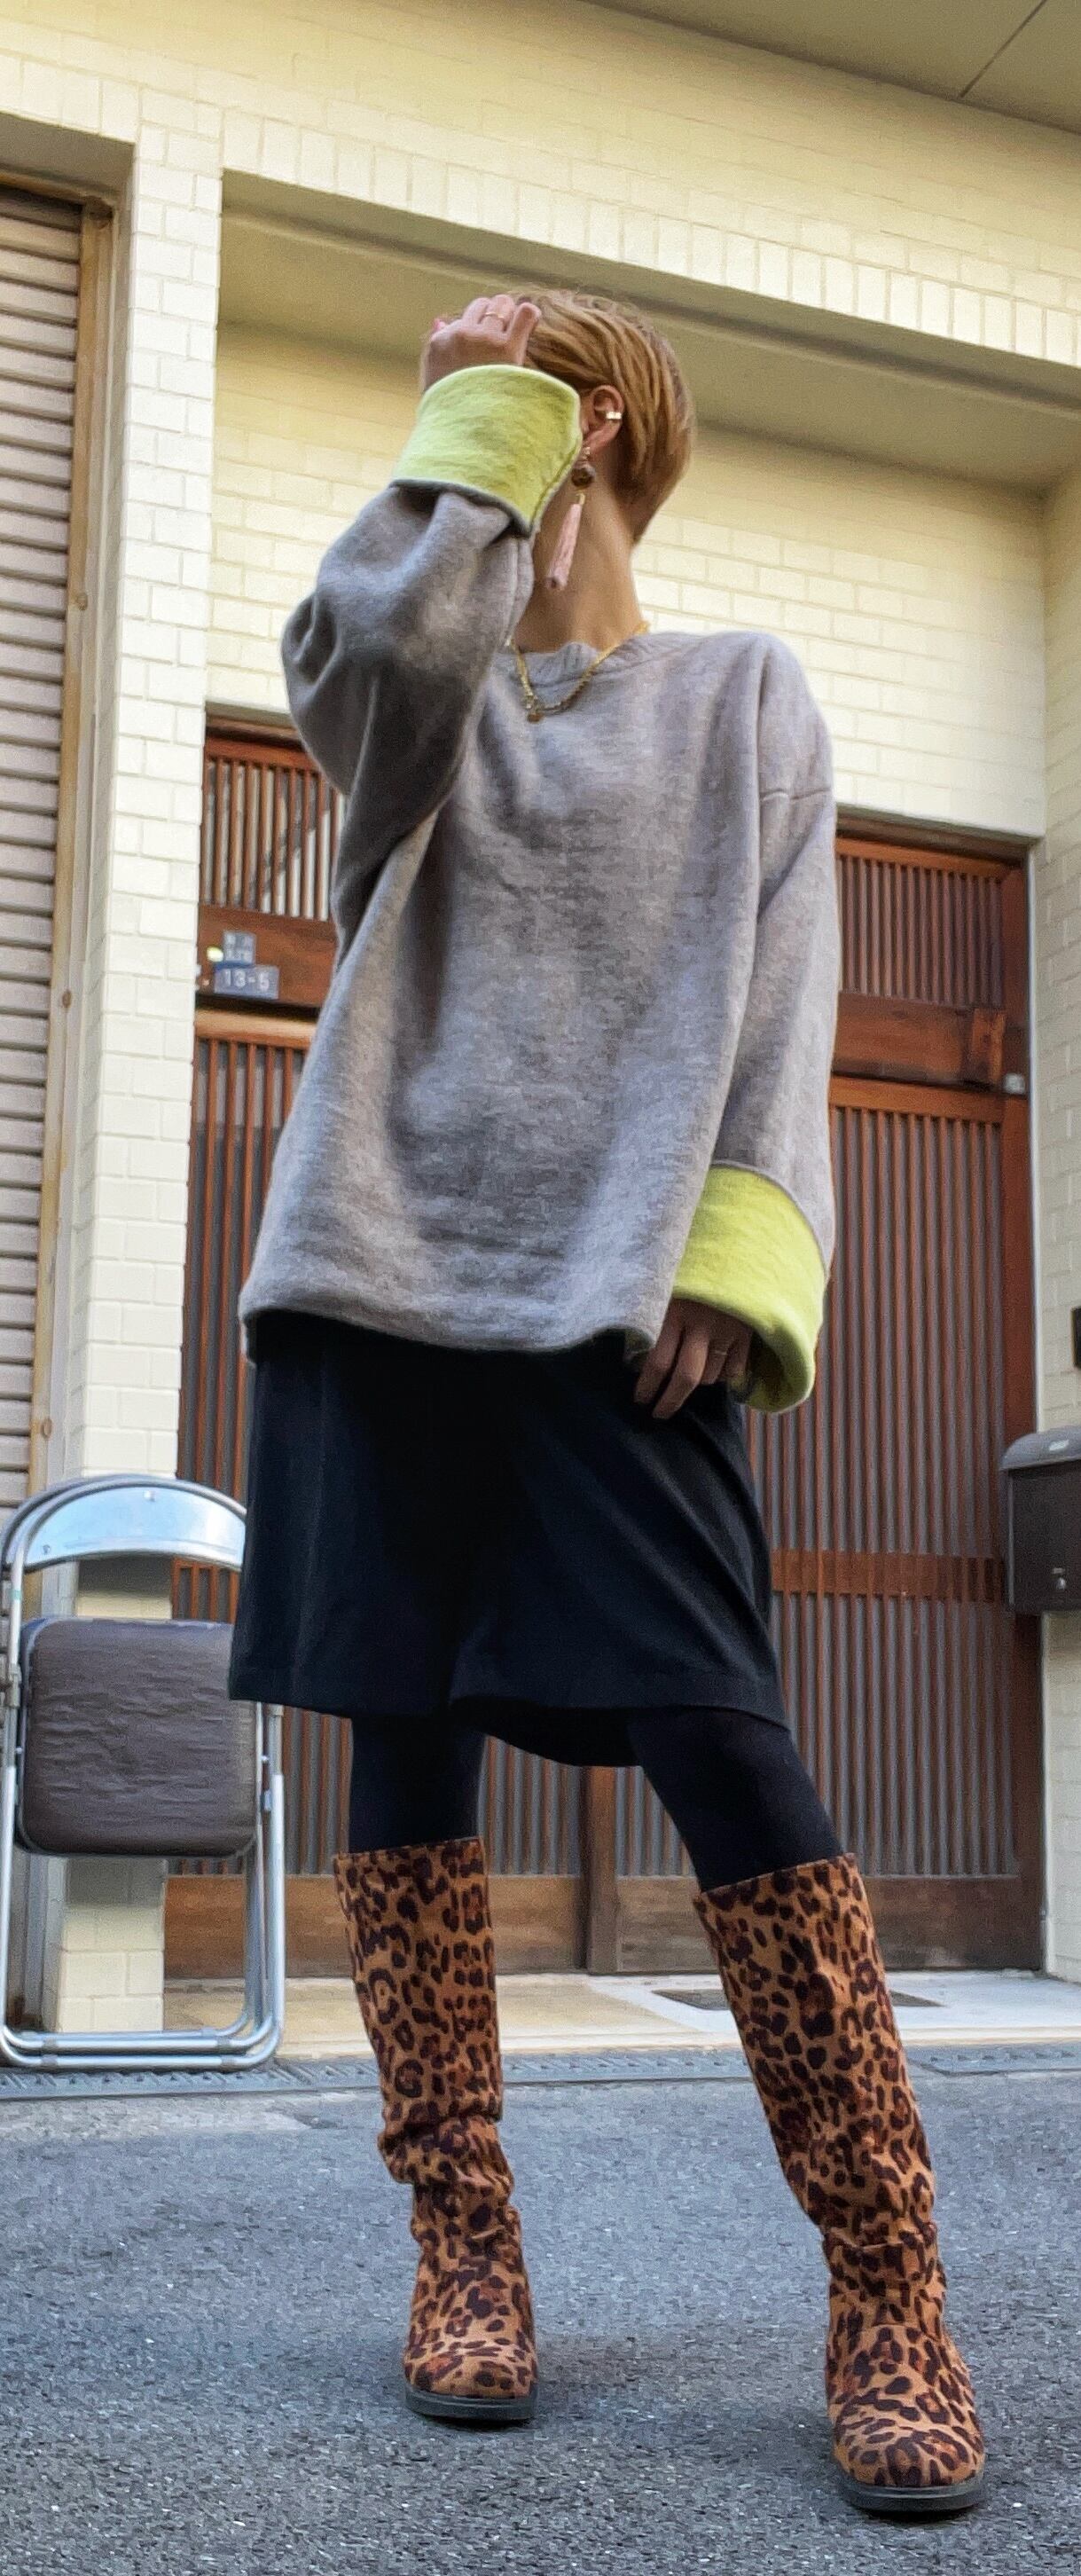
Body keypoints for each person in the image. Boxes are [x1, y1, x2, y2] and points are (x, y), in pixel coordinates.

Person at [229, 288, 984, 2516]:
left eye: (523, 398)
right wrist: (478, 454)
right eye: (458, 399)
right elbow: (368, 652)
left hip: (616, 1297)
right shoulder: (415, 697)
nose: (477, 431)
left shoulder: (746, 698)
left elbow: (785, 1000)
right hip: (380, 1271)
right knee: (402, 1743)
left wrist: (741, 1258)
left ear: (611, 437)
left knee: (724, 1741)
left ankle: (887, 2287)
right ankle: (462, 2250)